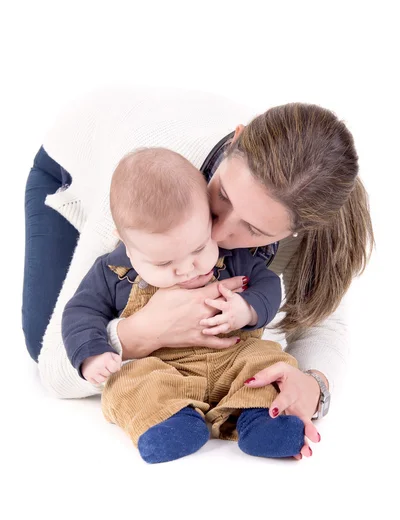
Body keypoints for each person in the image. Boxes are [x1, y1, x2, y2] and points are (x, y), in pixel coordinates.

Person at [23, 88, 374, 460]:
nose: (218, 236)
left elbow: (322, 321)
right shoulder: (147, 186)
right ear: (235, 141)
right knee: (40, 337)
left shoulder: (297, 196)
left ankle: (254, 418)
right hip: (74, 163)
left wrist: (312, 385)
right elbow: (55, 367)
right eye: (223, 194)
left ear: (298, 230)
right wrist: (140, 333)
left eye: (254, 231)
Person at [61, 148, 305, 463]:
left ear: (207, 217)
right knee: (127, 382)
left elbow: (269, 285)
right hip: (162, 367)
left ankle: (259, 419)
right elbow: (80, 313)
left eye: (199, 247)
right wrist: (91, 354)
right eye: (164, 262)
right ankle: (171, 421)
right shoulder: (112, 272)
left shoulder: (232, 257)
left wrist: (247, 309)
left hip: (231, 356)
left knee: (266, 359)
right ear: (127, 243)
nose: (188, 268)